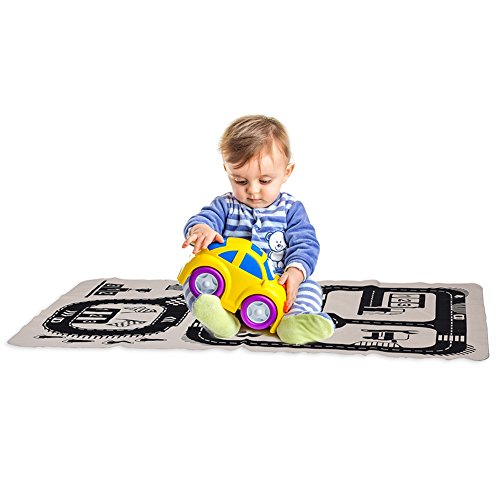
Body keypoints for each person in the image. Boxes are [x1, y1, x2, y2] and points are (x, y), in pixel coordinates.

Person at [181, 115, 334, 344]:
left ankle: (294, 321)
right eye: (240, 181)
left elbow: (306, 242)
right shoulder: (225, 205)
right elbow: (206, 218)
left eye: (264, 181)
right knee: (192, 281)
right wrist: (201, 229)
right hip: (230, 281)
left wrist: (295, 271)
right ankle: (219, 320)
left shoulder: (290, 209)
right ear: (227, 170)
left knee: (309, 287)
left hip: (276, 283)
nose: (253, 190)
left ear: (286, 172)